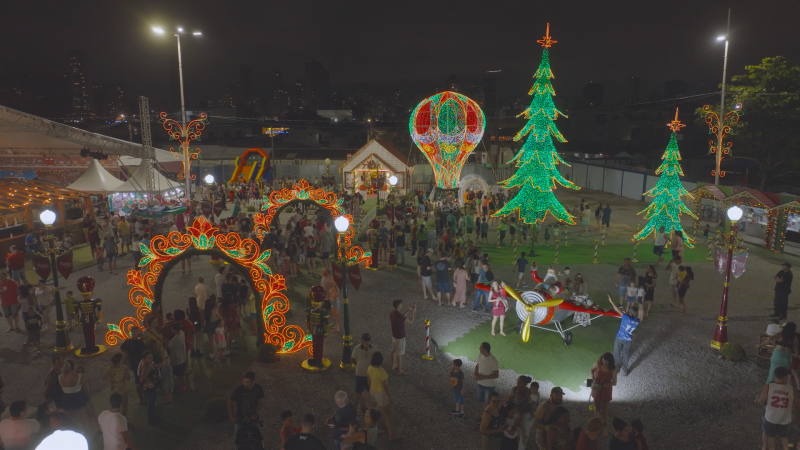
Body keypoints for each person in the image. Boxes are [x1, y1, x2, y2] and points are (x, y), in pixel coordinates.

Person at [367, 351, 400, 441]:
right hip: (381, 393)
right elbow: (385, 386)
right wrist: (390, 397)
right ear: (381, 361)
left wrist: (370, 389)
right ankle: (391, 435)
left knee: (376, 411)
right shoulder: (382, 372)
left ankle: (375, 429)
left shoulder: (370, 368)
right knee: (387, 414)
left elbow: (368, 379)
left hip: (373, 390)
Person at [59, 359, 95, 435]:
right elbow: (88, 385)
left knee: (71, 421)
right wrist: (89, 396)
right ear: (73, 367)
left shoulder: (60, 377)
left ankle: (74, 436)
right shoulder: (79, 377)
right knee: (84, 419)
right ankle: (90, 436)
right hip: (79, 399)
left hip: (67, 400)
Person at [607, 295, 639, 376]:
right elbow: (631, 318)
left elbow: (617, 309)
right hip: (628, 340)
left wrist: (611, 301)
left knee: (617, 352)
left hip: (620, 337)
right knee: (626, 354)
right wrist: (627, 314)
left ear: (630, 313)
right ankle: (625, 370)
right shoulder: (636, 321)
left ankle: (616, 367)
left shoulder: (626, 317)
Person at [228, 372, 265, 436]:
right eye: (244, 381)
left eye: (248, 382)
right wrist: (232, 416)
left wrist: (255, 413)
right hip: (240, 417)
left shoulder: (258, 388)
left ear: (253, 381)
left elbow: (260, 402)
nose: (245, 384)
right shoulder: (239, 390)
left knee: (257, 436)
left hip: (252, 418)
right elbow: (230, 402)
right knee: (238, 438)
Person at [507, 376, 537, 450]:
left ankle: (521, 447)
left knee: (525, 433)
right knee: (513, 430)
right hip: (515, 413)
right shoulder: (514, 390)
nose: (518, 383)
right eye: (518, 381)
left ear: (526, 383)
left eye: (520, 382)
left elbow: (535, 404)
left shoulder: (530, 392)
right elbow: (508, 403)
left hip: (525, 413)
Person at [349, 333, 376, 415]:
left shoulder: (374, 348)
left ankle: (366, 403)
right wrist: (359, 365)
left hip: (369, 373)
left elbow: (375, 358)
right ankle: (358, 406)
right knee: (358, 391)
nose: (366, 342)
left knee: (368, 390)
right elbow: (352, 359)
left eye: (368, 340)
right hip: (360, 374)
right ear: (361, 340)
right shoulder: (357, 349)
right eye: (365, 340)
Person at [389, 299, 415, 376]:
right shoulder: (399, 316)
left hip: (394, 335)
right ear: (399, 306)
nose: (402, 306)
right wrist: (413, 313)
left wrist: (408, 310)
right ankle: (399, 370)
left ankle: (393, 365)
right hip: (400, 337)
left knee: (393, 350)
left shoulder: (392, 313)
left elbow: (401, 317)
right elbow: (410, 321)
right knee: (399, 353)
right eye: (401, 305)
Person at [590, 352, 616, 426]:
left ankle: (605, 424)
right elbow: (592, 371)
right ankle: (596, 423)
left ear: (610, 361)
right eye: (603, 361)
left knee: (604, 409)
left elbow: (614, 382)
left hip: (606, 390)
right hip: (597, 388)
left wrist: (602, 385)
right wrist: (593, 378)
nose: (604, 363)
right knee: (597, 406)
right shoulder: (598, 364)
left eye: (607, 362)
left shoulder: (613, 369)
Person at [474, 342, 500, 411]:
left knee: (488, 403)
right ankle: (484, 415)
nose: (479, 349)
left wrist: (482, 377)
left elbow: (496, 375)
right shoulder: (480, 355)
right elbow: (478, 365)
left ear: (484, 349)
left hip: (489, 386)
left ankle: (488, 417)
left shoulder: (493, 360)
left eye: (481, 347)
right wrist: (475, 374)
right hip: (480, 384)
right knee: (481, 401)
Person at [103, 353, 130, 417]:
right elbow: (128, 379)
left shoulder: (110, 369)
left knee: (114, 406)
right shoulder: (124, 368)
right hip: (122, 389)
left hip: (113, 390)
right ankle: (124, 417)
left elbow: (104, 378)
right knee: (124, 404)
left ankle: (115, 417)